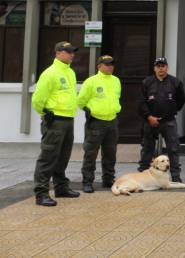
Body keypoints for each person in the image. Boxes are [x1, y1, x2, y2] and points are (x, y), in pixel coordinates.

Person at [31, 41, 81, 206]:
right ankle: (41, 193)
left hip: (68, 119)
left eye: (73, 52)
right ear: (58, 53)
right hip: (55, 121)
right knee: (48, 157)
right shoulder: (50, 73)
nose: (72, 54)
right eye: (68, 52)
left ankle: (61, 188)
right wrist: (45, 112)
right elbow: (38, 98)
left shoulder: (71, 72)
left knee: (63, 156)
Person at [77, 55, 121, 193]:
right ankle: (87, 181)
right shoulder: (91, 81)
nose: (110, 67)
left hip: (112, 121)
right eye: (107, 64)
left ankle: (108, 179)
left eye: (112, 64)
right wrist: (88, 110)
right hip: (96, 122)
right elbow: (80, 101)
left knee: (110, 153)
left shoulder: (116, 81)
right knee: (91, 153)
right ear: (99, 66)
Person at [139, 57, 185, 182]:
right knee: (147, 148)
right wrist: (149, 116)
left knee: (173, 148)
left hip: (168, 121)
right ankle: (143, 175)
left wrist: (172, 111)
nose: (161, 68)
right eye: (158, 66)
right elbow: (141, 102)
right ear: (154, 68)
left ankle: (175, 176)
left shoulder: (175, 82)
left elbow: (181, 100)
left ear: (167, 67)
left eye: (163, 66)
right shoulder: (147, 82)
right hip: (150, 120)